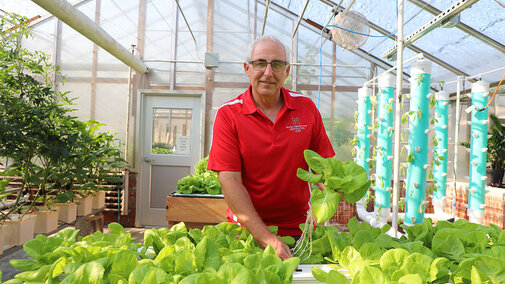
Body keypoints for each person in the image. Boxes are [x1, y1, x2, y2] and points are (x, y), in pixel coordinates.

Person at [207, 35, 335, 260]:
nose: (268, 72)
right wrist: (266, 238)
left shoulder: (306, 109)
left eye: (277, 64)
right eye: (260, 63)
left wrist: (326, 205)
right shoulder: (229, 115)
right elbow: (230, 182)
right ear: (247, 68)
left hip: (300, 233)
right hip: (245, 233)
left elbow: (325, 169)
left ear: (286, 71)